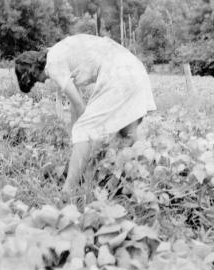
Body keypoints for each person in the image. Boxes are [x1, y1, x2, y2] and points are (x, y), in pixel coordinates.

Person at [15, 34, 157, 196]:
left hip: (117, 73)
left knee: (84, 131)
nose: (43, 81)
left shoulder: (52, 65)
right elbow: (76, 103)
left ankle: (67, 192)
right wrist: (76, 139)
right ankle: (120, 185)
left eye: (37, 80)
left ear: (32, 73)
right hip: (134, 68)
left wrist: (79, 138)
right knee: (128, 135)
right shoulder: (59, 52)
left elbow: (79, 105)